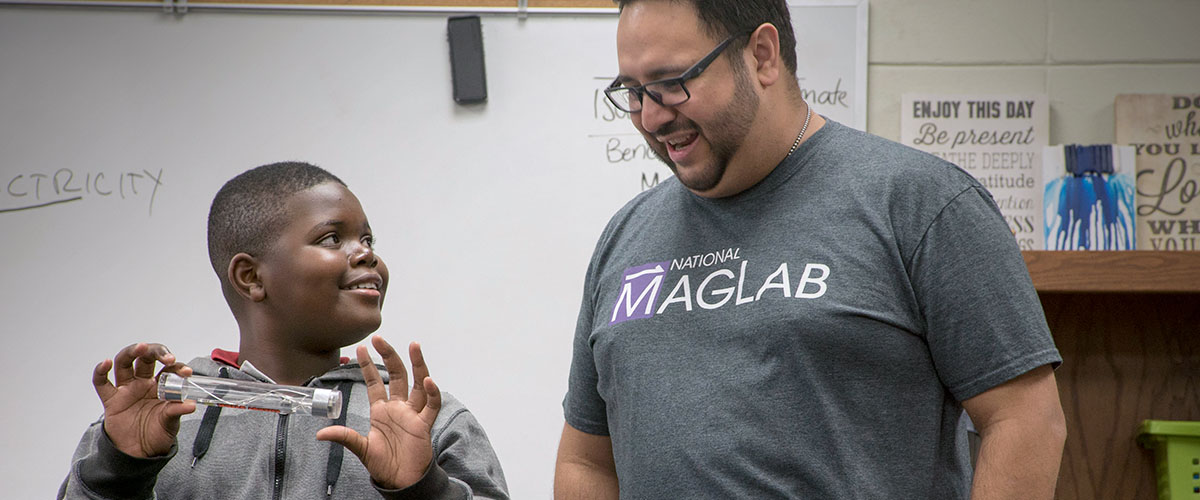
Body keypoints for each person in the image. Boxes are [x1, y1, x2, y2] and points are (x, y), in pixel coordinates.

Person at [555, 1, 1066, 499]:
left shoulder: (920, 202)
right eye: (634, 91)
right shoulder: (625, 238)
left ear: (761, 55)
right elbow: (586, 461)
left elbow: (1025, 420)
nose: (649, 117)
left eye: (671, 84)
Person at [60, 162, 509, 499]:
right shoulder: (166, 409)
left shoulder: (426, 418)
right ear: (251, 278)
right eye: (333, 238)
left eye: (368, 240)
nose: (366, 254)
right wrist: (120, 469)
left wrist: (423, 490)